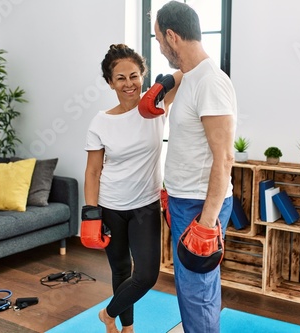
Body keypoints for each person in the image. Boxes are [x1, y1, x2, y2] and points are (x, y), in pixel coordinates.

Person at [83, 43, 181, 333]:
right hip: (111, 206)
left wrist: (163, 84)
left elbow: (186, 71)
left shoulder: (158, 106)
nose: (129, 84)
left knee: (147, 274)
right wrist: (91, 214)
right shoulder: (101, 122)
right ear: (110, 82)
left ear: (142, 76)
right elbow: (93, 171)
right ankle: (127, 328)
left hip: (146, 206)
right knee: (121, 270)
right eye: (121, 78)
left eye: (135, 75)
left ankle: (107, 313)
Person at [154, 2, 238, 332]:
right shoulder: (190, 78)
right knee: (197, 290)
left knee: (197, 294)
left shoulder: (210, 83)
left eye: (159, 39)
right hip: (183, 200)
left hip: (199, 207)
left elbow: (225, 157)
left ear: (172, 36)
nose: (159, 47)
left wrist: (207, 221)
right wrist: (163, 86)